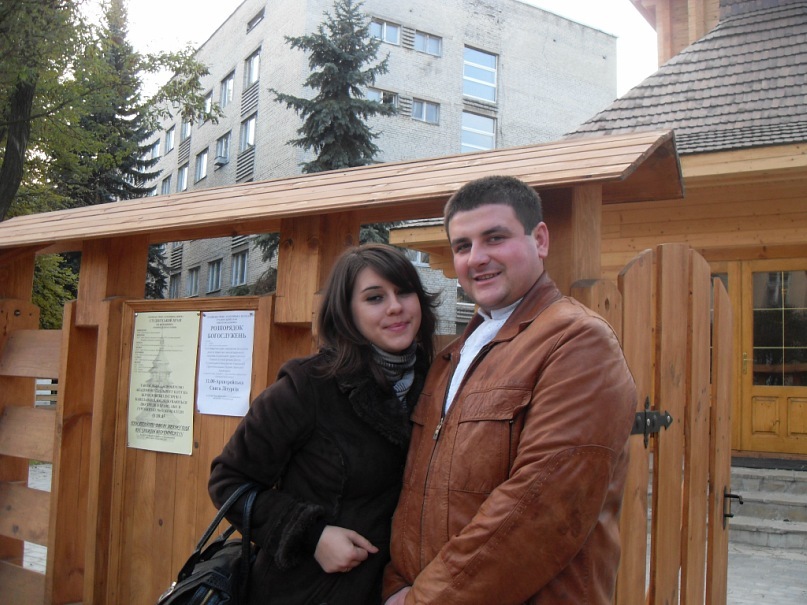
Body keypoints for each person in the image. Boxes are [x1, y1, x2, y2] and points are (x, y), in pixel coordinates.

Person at [383, 176, 637, 605]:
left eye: (495, 238)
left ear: (540, 240)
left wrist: (420, 600)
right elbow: (411, 496)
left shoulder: (577, 341)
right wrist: (395, 583)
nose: (476, 258)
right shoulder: (451, 357)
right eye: (462, 246)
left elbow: (542, 511)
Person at [209, 243, 439, 605]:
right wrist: (311, 535)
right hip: (306, 591)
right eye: (375, 298)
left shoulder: (439, 382)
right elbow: (229, 482)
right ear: (347, 312)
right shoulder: (307, 386)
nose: (395, 306)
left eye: (404, 292)